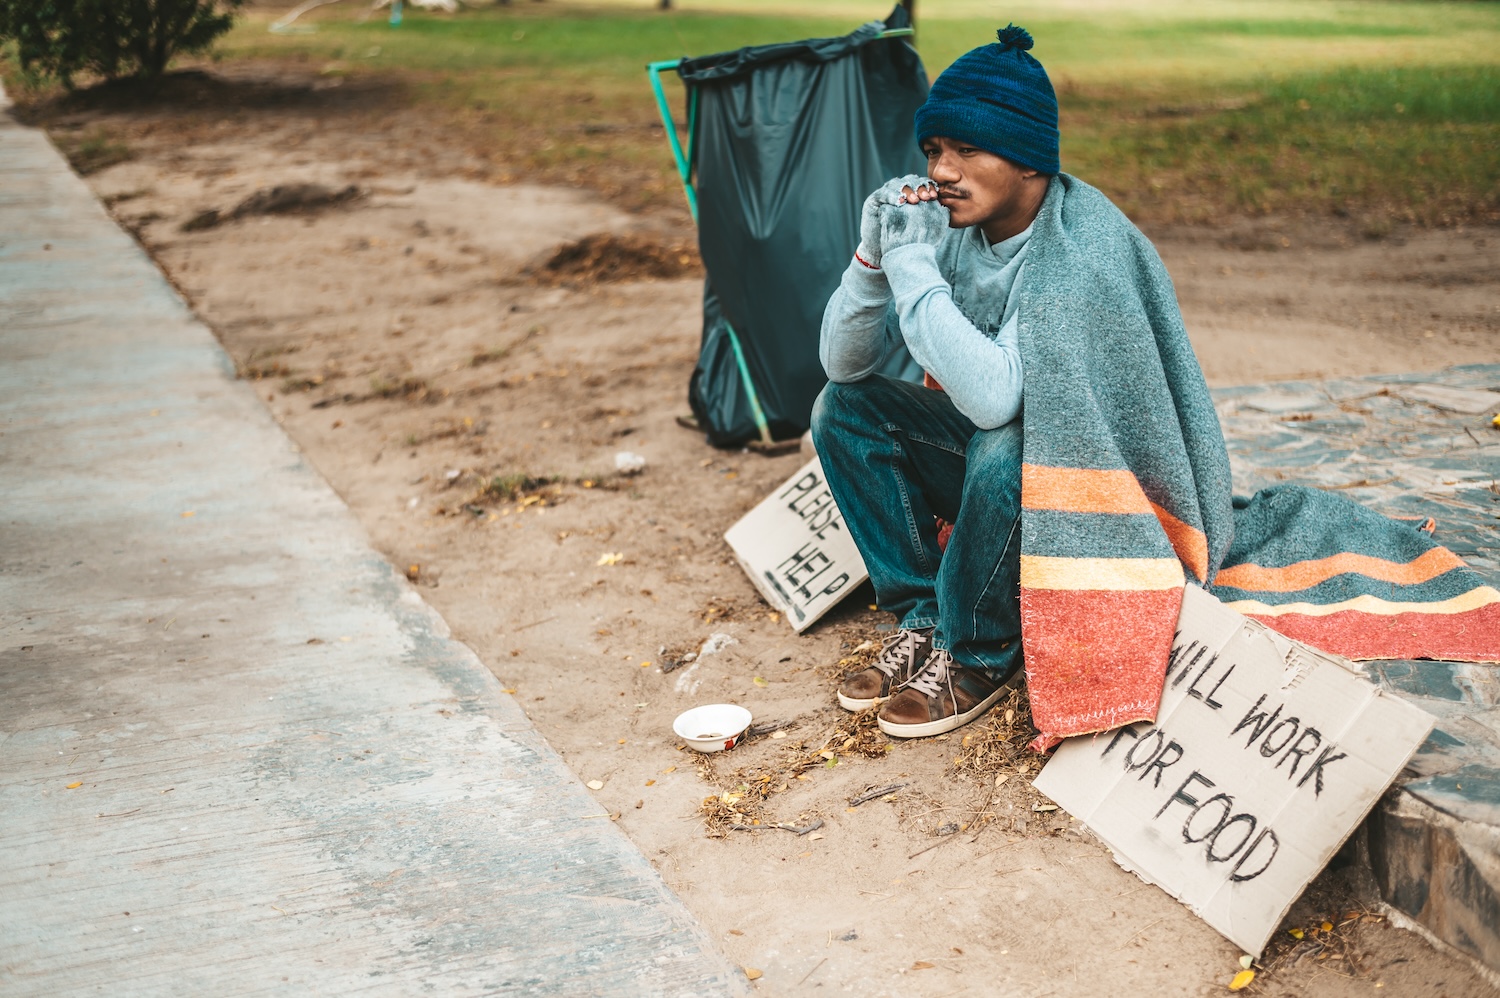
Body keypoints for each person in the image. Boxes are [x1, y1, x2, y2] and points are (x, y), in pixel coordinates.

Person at [812, 24, 1087, 738]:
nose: (943, 170)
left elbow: (999, 399)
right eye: (935, 149)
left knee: (1004, 439)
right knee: (842, 409)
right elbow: (843, 366)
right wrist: (875, 257)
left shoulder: (1076, 250)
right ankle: (928, 617)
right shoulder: (950, 228)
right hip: (1007, 470)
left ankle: (979, 651)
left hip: (1087, 491)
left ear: (1028, 161)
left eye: (967, 149)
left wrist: (913, 269)